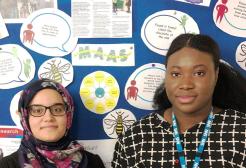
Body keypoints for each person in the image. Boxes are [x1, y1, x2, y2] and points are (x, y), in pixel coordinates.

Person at [112, 33, 246, 167]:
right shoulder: (135, 136)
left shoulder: (241, 131)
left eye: (199, 73)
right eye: (176, 74)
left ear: (216, 75)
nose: (186, 84)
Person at [0, 78, 105, 168]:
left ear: (68, 115)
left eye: (57, 109)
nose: (48, 117)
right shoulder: (5, 165)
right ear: (25, 117)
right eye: (37, 110)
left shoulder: (93, 163)